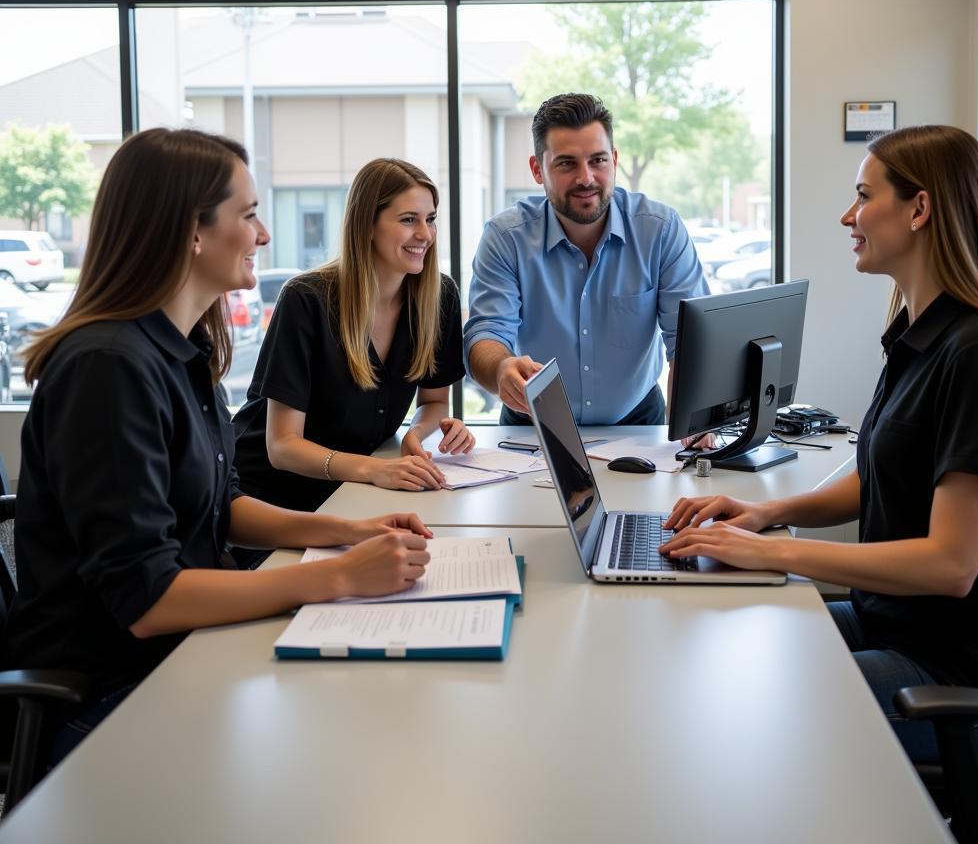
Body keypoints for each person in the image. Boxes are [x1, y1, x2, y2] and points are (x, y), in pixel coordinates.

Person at [4, 129, 433, 756]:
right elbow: (146, 598)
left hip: (186, 651)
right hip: (110, 691)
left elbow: (221, 507)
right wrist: (337, 578)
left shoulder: (184, 351)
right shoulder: (107, 368)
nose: (262, 235)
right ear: (191, 231)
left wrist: (346, 532)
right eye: (250, 214)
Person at [660, 125, 978, 761]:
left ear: (919, 208)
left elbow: (951, 564)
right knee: (720, 642)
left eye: (863, 196)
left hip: (954, 672)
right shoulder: (918, 332)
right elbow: (878, 474)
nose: (847, 216)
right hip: (892, 625)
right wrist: (768, 515)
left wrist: (773, 555)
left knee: (739, 704)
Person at [233, 157, 474, 514]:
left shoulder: (440, 298)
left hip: (354, 494)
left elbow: (435, 402)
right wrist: (376, 469)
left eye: (430, 219)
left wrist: (417, 435)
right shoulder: (306, 300)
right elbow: (282, 446)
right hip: (269, 499)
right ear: (367, 226)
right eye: (409, 220)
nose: (425, 234)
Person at [464, 93, 709, 428]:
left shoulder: (660, 231)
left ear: (615, 160)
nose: (586, 178)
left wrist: (696, 417)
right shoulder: (505, 237)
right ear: (538, 170)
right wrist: (500, 368)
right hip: (532, 423)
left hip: (638, 421)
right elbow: (487, 333)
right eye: (567, 163)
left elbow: (688, 339)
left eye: (598, 161)